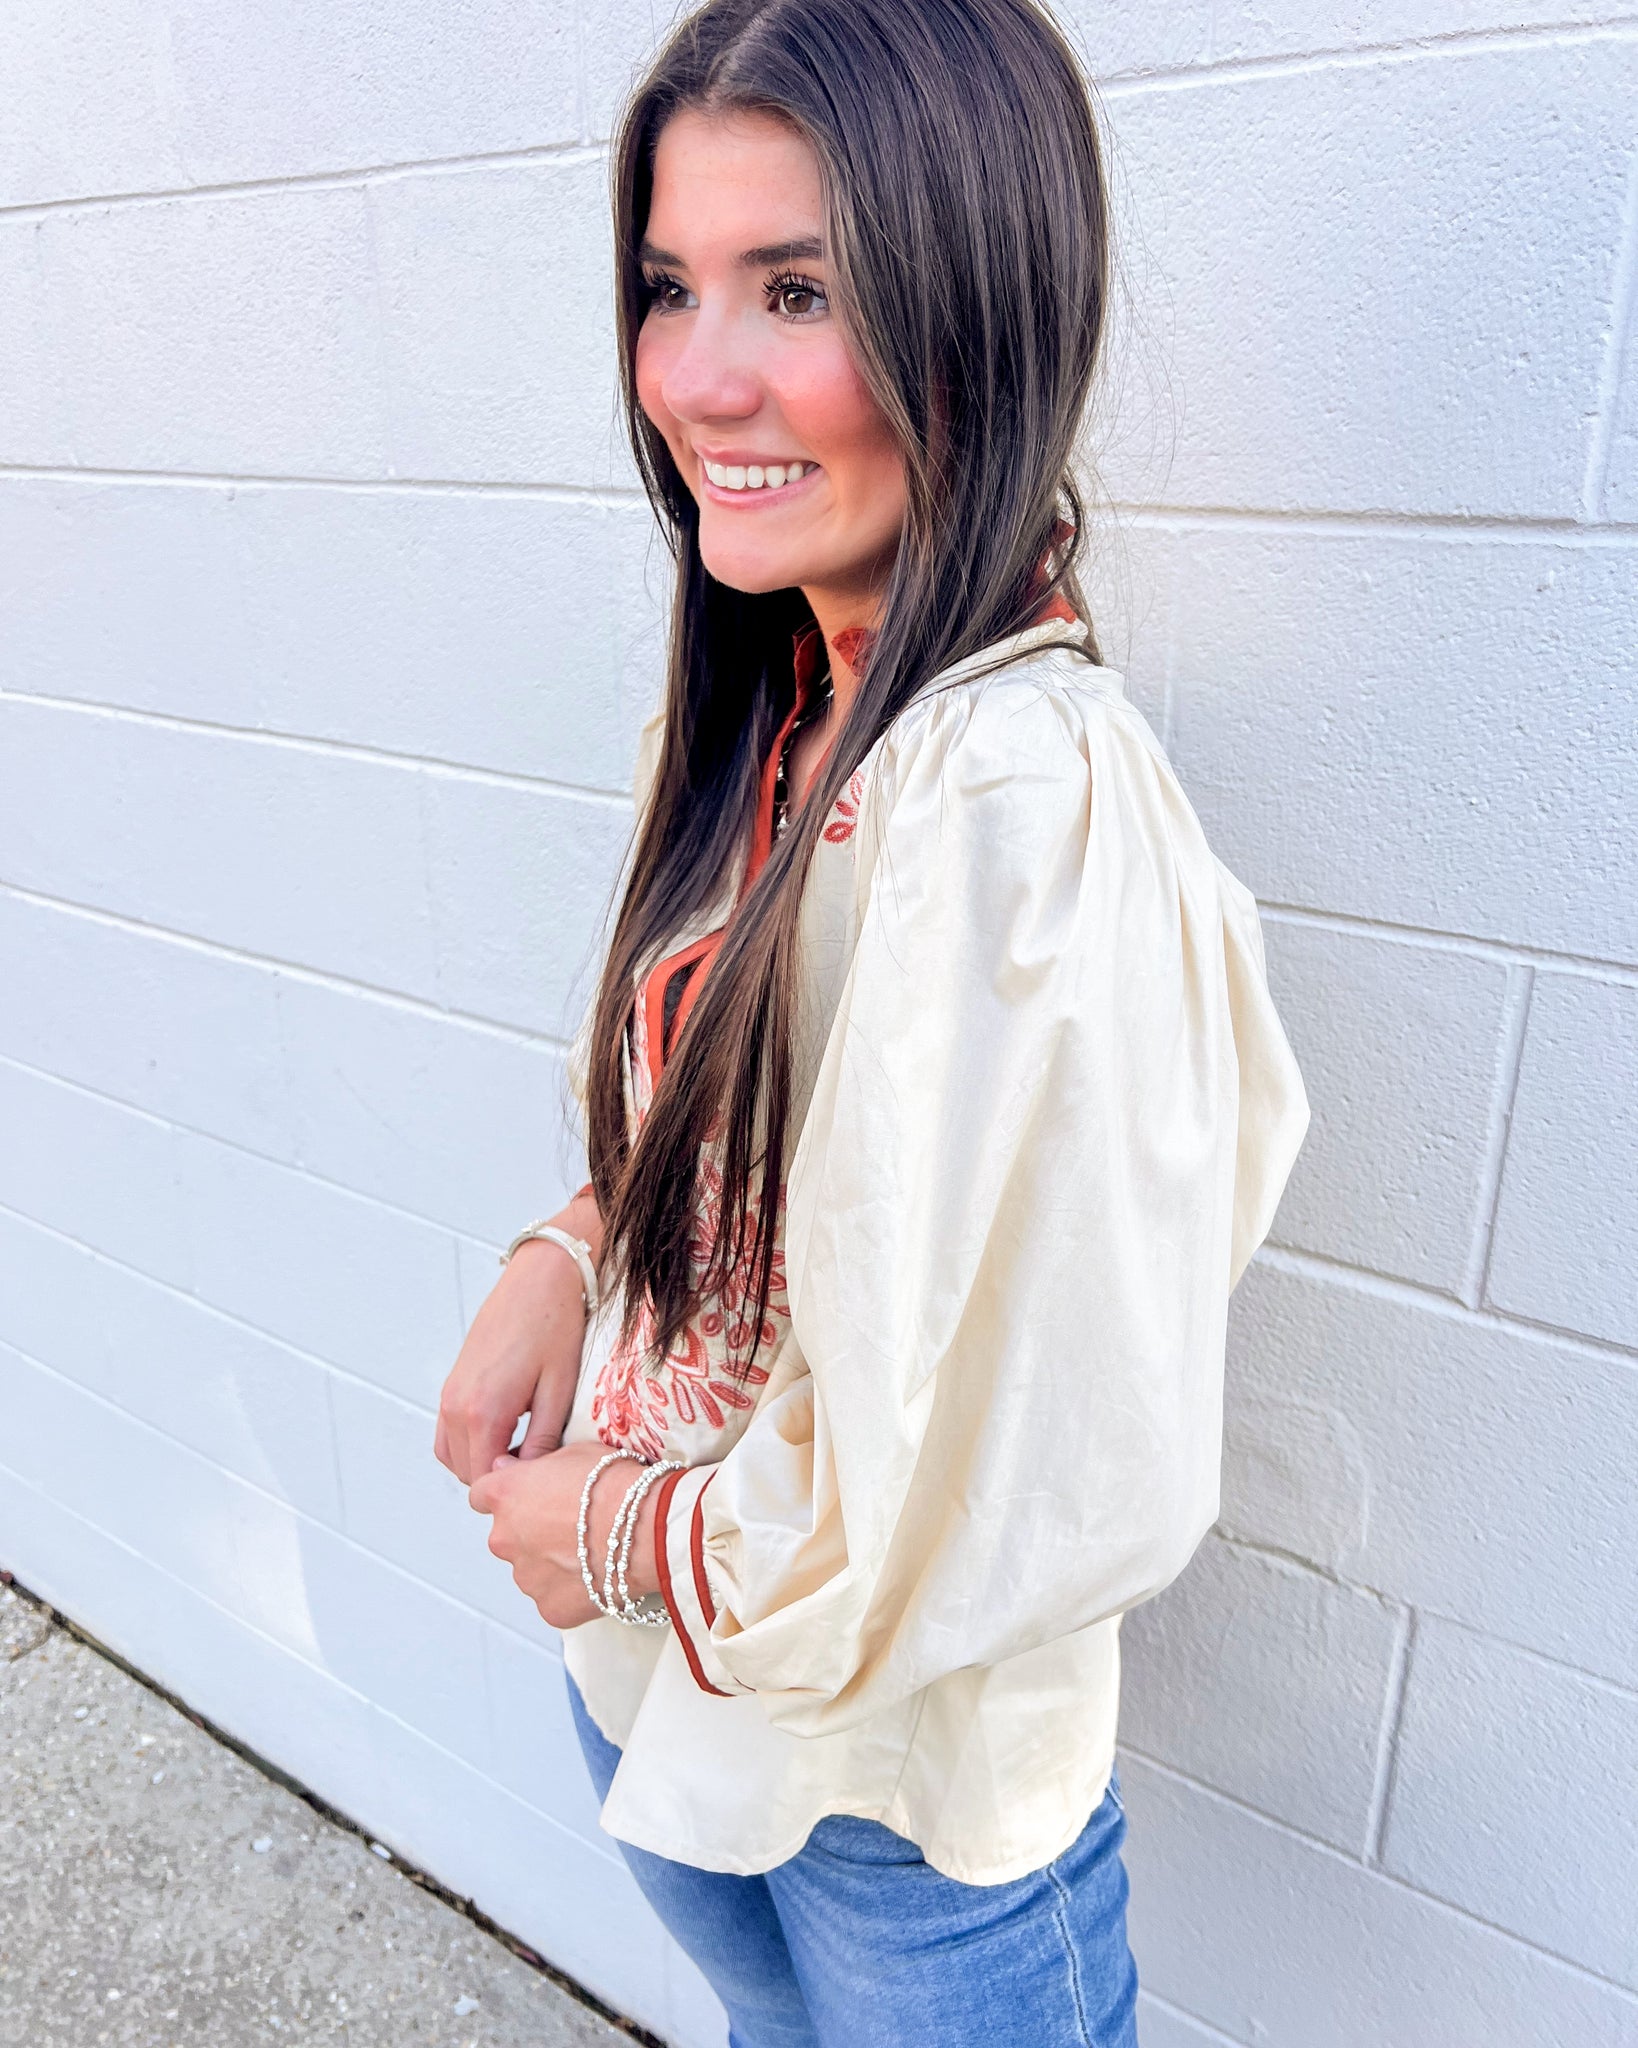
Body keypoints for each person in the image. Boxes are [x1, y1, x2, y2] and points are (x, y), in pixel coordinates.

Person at [436, 1, 1309, 2041]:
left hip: (891, 1807)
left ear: (974, 316)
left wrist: (615, 1525)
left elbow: (1041, 1450)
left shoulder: (1018, 806)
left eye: (798, 290)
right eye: (670, 285)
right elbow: (787, 1145)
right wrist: (571, 1248)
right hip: (675, 1704)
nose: (696, 376)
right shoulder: (794, 690)